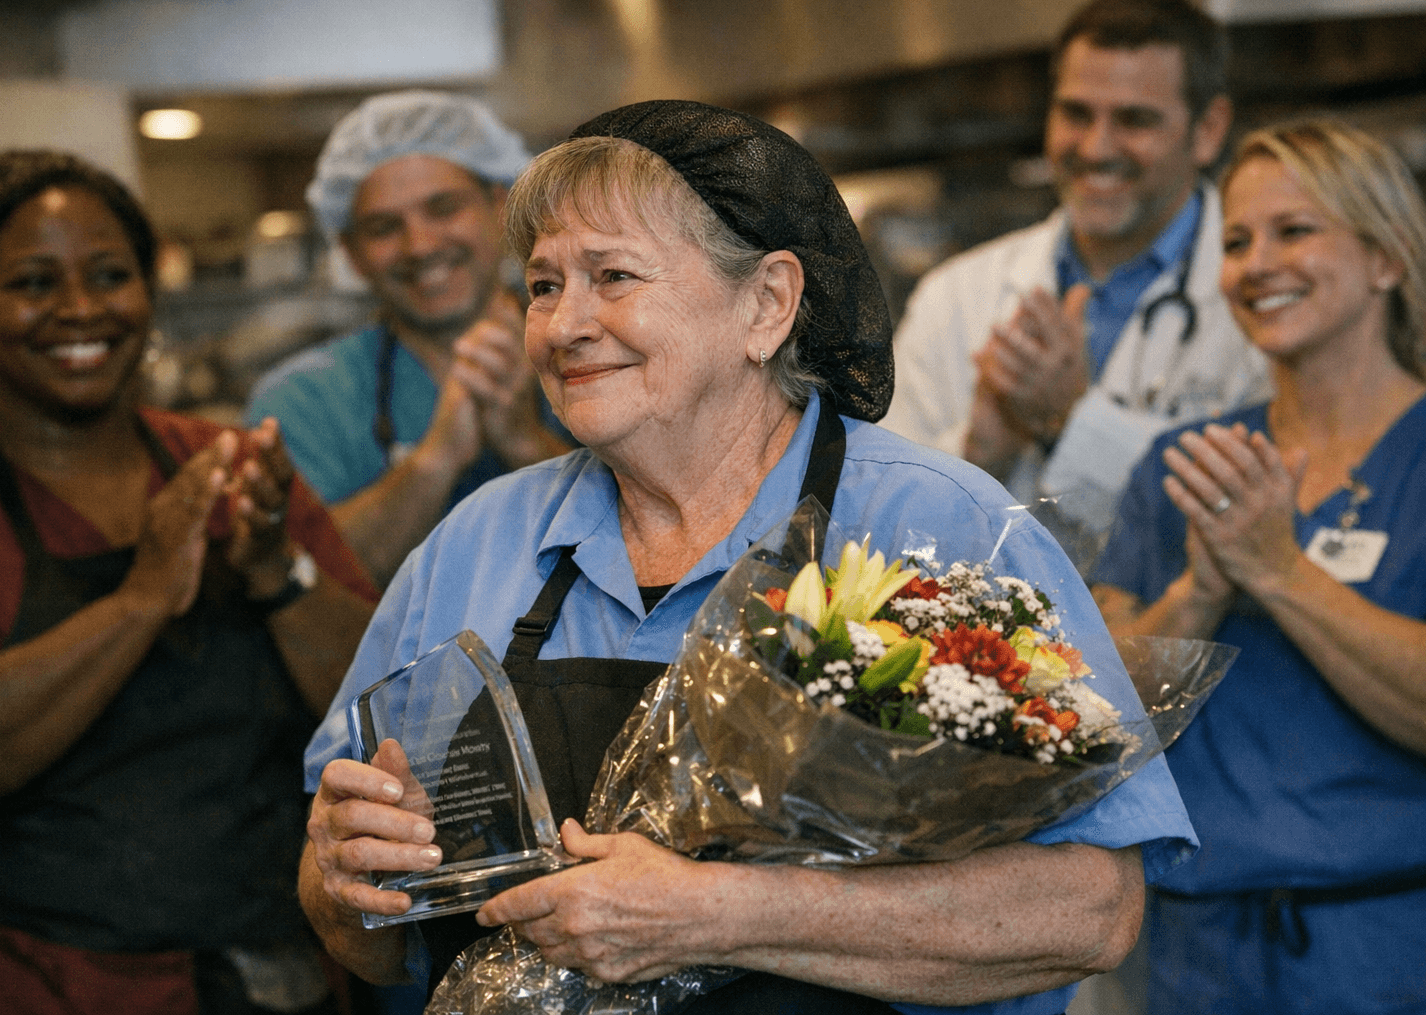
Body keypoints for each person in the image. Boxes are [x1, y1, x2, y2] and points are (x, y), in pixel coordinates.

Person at [299, 100, 1197, 1015]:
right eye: (540, 286)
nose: (564, 323)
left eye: (612, 275)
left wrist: (718, 914)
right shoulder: (474, 544)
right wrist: (343, 884)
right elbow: (368, 937)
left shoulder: (940, 527)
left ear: (766, 303)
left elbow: (1093, 909)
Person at [0, 150, 378, 1014]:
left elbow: (384, 712)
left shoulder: (227, 468)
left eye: (110, 275)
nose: (80, 309)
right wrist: (142, 598)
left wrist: (274, 570)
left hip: (270, 978)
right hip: (7, 984)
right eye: (34, 283)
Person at [1091, 120, 1426, 1013]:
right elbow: (1094, 724)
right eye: (1236, 242)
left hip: (1389, 947)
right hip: (1196, 954)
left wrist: (1280, 570)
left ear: (1387, 259)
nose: (1256, 263)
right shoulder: (1183, 467)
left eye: (1295, 231)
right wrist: (1200, 589)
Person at [879, 0, 1268, 562]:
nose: (1096, 148)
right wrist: (982, 449)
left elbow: (1252, 538)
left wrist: (1070, 419)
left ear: (1208, 129)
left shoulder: (1261, 302)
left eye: (1135, 119)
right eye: (1076, 113)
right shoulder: (955, 296)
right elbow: (874, 522)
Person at [246, 91, 572, 586]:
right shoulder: (301, 402)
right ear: (351, 254)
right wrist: (436, 459)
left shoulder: (599, 351)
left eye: (443, 208)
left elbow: (672, 537)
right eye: (383, 227)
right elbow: (302, 585)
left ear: (500, 207)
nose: (419, 245)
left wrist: (526, 442)